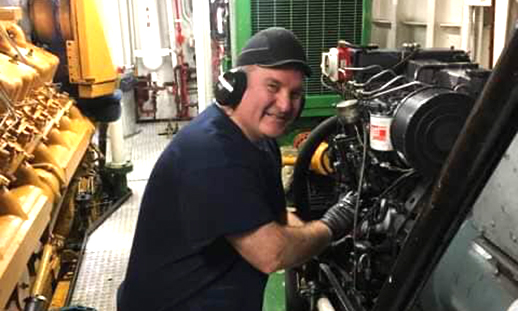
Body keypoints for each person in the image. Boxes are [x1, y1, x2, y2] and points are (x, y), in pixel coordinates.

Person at [118, 27, 354, 311]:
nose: (284, 104)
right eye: (273, 86)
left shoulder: (260, 142)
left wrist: (312, 235)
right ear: (236, 85)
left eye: (295, 93)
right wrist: (330, 227)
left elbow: (276, 218)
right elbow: (272, 253)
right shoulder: (212, 152)